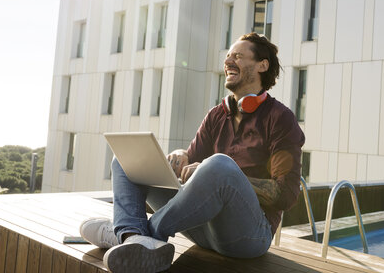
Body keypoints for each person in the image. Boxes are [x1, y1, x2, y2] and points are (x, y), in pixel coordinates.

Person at [80, 33, 305, 273]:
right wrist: (180, 156)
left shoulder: (280, 119)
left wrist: (227, 178)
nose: (228, 61)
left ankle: (129, 234)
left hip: (249, 237)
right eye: (228, 56)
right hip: (203, 229)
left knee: (219, 166)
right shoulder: (216, 115)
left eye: (238, 56)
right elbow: (191, 166)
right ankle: (132, 236)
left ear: (262, 65)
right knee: (127, 158)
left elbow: (286, 194)